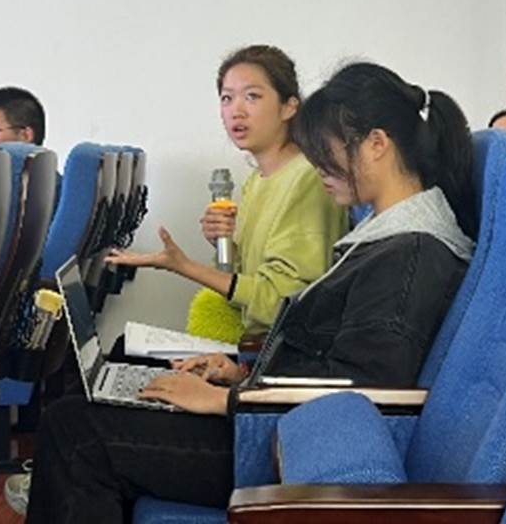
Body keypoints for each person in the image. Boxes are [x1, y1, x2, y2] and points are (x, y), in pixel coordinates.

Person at [25, 61, 475, 522]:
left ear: (377, 144)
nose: (318, 165)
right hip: (275, 417)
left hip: (282, 445)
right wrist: (240, 375)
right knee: (92, 408)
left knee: (74, 433)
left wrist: (228, 400)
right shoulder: (388, 235)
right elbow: (334, 358)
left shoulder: (411, 253)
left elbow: (364, 389)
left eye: (327, 150)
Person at [109, 45, 347, 343]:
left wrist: (183, 266)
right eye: (227, 98)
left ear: (289, 107)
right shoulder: (257, 180)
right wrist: (226, 248)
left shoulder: (307, 179)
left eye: (252, 96)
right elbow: (248, 287)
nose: (237, 110)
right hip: (259, 342)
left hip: (279, 353)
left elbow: (283, 303)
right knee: (125, 347)